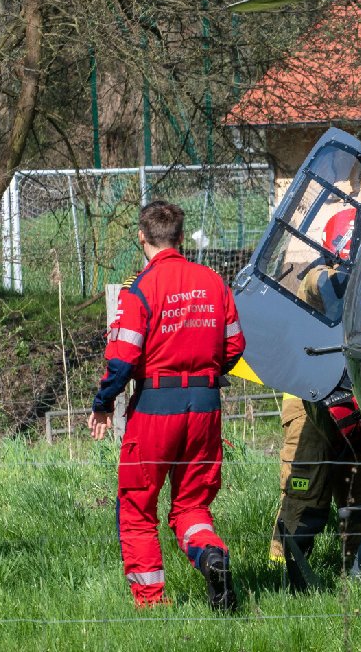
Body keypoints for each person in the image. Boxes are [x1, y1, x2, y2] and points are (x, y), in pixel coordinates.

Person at [87, 200, 245, 610]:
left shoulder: (141, 289)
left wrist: (104, 402)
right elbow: (234, 345)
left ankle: (152, 601)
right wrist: (206, 372)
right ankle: (210, 554)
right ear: (179, 237)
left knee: (138, 505)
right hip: (206, 404)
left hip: (156, 405)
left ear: (143, 237)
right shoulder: (214, 282)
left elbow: (122, 358)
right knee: (192, 505)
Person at [269, 205, 361, 584]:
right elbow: (333, 291)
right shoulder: (319, 279)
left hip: (349, 404)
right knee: (305, 493)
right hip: (310, 406)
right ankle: (283, 572)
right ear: (344, 247)